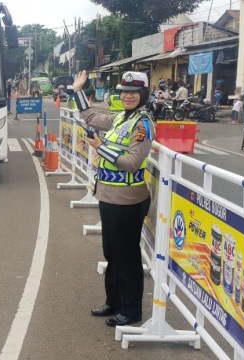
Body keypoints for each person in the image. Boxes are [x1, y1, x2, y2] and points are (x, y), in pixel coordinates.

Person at [71, 70, 154, 327]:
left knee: (127, 256)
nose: (128, 96)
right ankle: (114, 301)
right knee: (111, 252)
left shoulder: (143, 124)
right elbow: (92, 116)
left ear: (143, 95)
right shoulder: (121, 118)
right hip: (108, 196)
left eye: (134, 92)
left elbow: (131, 163)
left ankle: (131, 310)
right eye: (125, 92)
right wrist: (78, 91)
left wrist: (99, 146)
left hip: (128, 200)